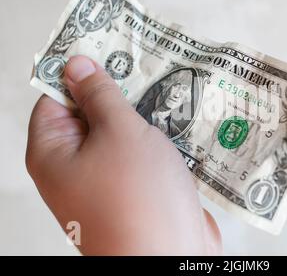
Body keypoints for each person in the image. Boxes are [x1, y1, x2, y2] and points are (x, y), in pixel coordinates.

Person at [25, 55, 222, 255]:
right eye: (176, 89)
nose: (177, 95)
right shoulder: (142, 110)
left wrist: (122, 238)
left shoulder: (169, 128)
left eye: (183, 94)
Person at [136, 69, 195, 138]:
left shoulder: (175, 132)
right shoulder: (139, 108)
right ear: (167, 85)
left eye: (184, 89)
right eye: (176, 86)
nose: (177, 95)